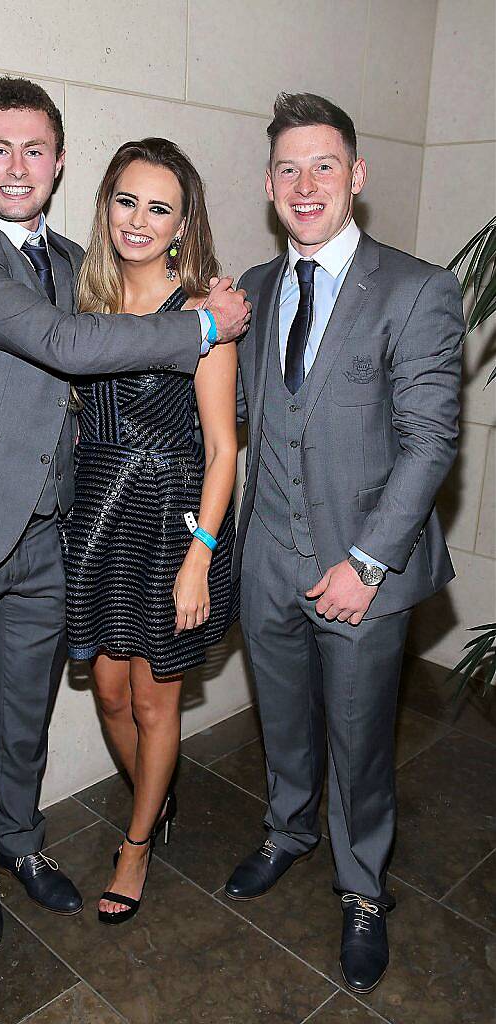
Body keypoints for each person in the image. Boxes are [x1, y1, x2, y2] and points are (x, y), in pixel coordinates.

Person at [0, 76, 249, 956]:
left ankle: (20, 841)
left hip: (60, 535)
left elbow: (75, 388)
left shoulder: (74, 265)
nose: (18, 165)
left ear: (57, 165)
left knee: (27, 713)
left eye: (36, 149)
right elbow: (59, 346)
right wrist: (203, 326)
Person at [224, 93, 463, 994]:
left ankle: (362, 889)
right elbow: (234, 415)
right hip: (268, 564)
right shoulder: (251, 289)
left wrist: (366, 563)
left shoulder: (416, 288)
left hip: (363, 570)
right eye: (288, 168)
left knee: (360, 741)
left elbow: (431, 440)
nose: (305, 183)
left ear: (356, 177)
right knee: (282, 725)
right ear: (269, 185)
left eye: (325, 164)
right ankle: (287, 830)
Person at [63, 139, 239, 923]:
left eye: (158, 207)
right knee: (107, 691)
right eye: (126, 200)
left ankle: (136, 846)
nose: (139, 219)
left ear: (181, 224)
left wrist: (199, 559)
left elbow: (223, 447)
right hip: (98, 515)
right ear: (106, 206)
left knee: (153, 700)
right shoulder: (85, 302)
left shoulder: (204, 312)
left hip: (171, 519)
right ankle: (154, 796)